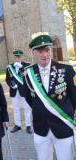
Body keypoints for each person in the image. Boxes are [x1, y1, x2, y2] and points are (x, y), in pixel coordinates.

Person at [23, 32, 76, 160]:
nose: (44, 54)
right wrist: (42, 109)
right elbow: (29, 98)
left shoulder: (66, 70)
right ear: (33, 53)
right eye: (40, 51)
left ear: (51, 51)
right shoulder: (27, 73)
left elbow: (74, 96)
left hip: (63, 124)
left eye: (47, 50)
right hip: (41, 126)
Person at [6, 50, 32, 134]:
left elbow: (29, 78)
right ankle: (17, 125)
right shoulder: (10, 67)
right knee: (16, 109)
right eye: (16, 57)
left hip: (24, 90)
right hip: (14, 91)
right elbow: (7, 79)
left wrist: (21, 68)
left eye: (19, 57)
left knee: (26, 108)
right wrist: (11, 85)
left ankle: (28, 125)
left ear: (21, 57)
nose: (17, 58)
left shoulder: (26, 65)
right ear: (14, 57)